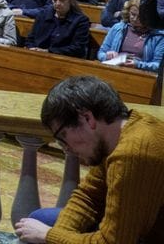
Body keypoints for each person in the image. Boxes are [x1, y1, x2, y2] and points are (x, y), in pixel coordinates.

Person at [14, 76, 164, 244]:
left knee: (40, 228)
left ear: (87, 119)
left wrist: (49, 236)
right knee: (40, 219)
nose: (66, 148)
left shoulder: (133, 153)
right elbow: (88, 195)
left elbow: (113, 242)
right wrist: (58, 234)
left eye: (62, 136)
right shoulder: (126, 131)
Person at [97, 0, 164, 72]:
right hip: (115, 68)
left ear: (149, 17)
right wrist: (107, 56)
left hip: (140, 74)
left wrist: (137, 64)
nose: (135, 19)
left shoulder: (159, 36)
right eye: (132, 14)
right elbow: (100, 53)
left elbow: (158, 65)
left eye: (140, 17)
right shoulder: (118, 28)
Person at [25, 0, 90, 58]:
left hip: (64, 59)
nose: (57, 3)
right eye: (54, 0)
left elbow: (77, 47)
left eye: (62, 0)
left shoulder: (80, 20)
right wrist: (32, 48)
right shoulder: (43, 15)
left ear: (70, 0)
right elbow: (30, 38)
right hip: (37, 55)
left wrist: (48, 51)